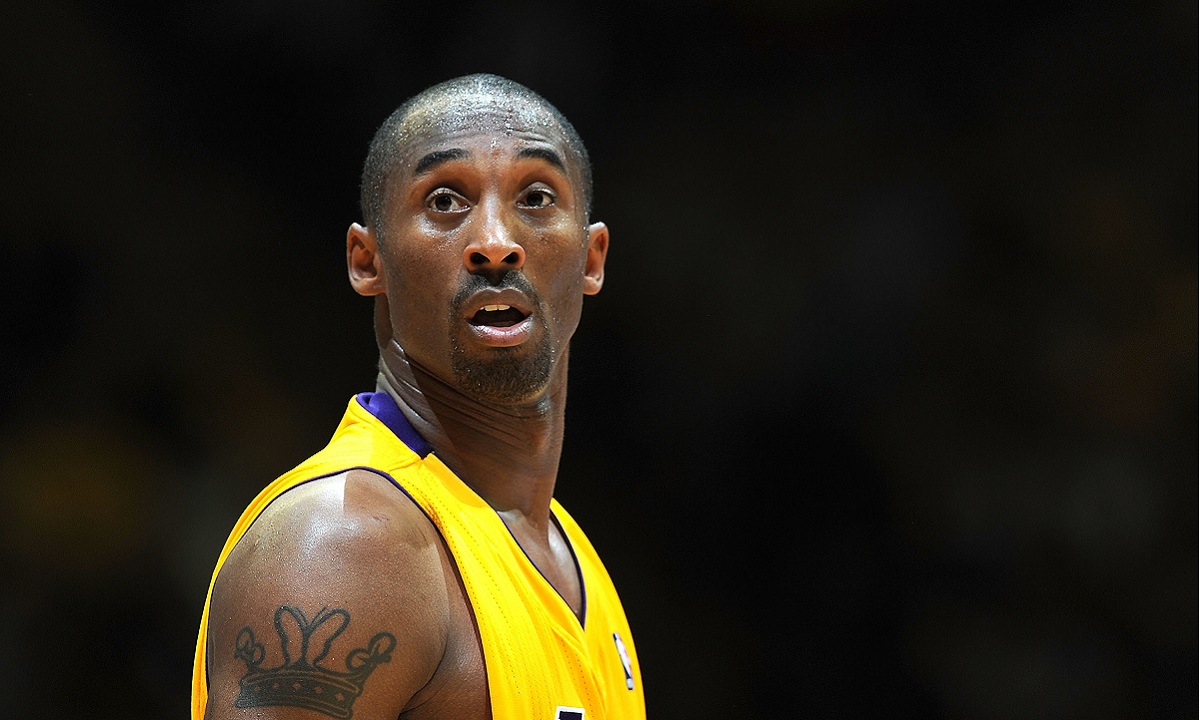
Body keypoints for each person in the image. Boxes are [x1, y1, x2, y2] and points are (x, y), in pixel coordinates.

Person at [191, 73, 644, 720]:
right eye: (445, 202)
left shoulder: (567, 552)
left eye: (537, 198)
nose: (496, 243)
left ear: (592, 258)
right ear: (367, 260)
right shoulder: (345, 546)